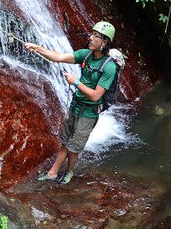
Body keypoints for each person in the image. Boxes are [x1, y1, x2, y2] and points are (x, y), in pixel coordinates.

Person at [24, 21, 117, 186]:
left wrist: (75, 83)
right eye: (92, 34)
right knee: (66, 141)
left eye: (96, 36)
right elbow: (58, 57)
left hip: (89, 112)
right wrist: (36, 47)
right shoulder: (86, 55)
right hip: (76, 105)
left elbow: (96, 96)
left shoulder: (109, 68)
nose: (91, 38)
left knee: (74, 147)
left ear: (105, 43)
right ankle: (53, 172)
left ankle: (69, 171)